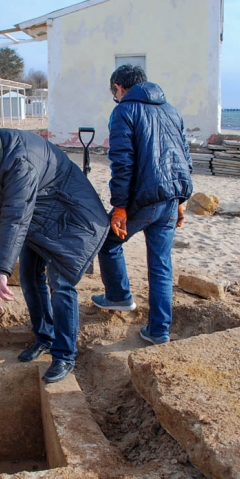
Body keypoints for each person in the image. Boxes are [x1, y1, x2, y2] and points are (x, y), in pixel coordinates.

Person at [0, 125, 110, 383]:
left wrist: (0, 271)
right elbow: (15, 211)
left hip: (72, 219)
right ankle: (45, 337)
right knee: (28, 274)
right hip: (40, 215)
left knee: (61, 282)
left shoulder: (18, 161)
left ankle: (65, 355)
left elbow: (14, 217)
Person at [91, 65, 193, 345]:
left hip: (144, 199)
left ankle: (119, 296)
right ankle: (159, 330)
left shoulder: (124, 111)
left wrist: (120, 207)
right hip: (171, 198)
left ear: (120, 88)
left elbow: (122, 163)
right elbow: (183, 157)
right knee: (161, 264)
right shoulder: (171, 110)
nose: (116, 97)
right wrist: (180, 201)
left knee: (108, 242)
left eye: (115, 92)